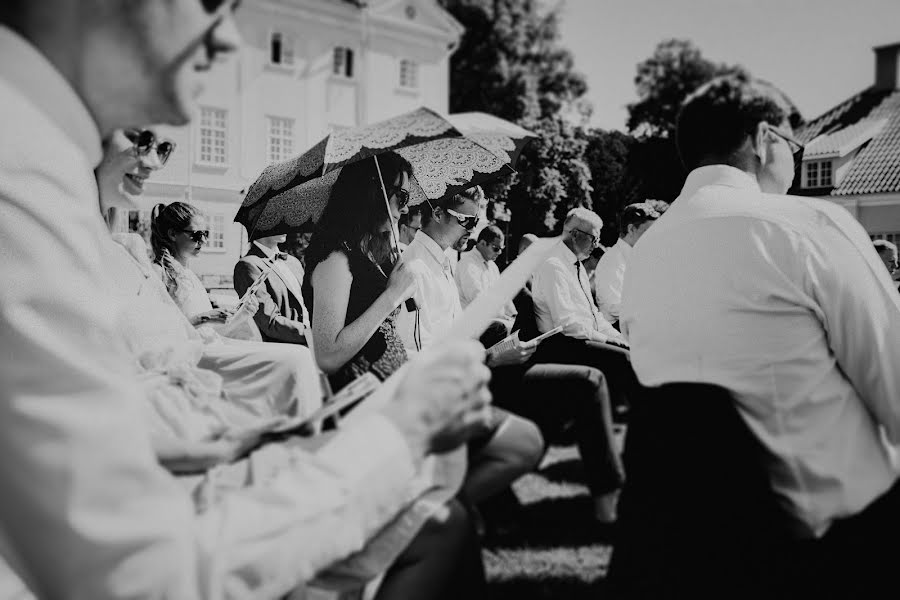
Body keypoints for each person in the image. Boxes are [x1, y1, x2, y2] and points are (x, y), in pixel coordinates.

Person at [0, 3, 494, 597]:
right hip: (154, 544)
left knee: (442, 522)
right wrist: (401, 432)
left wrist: (222, 442)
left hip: (178, 469)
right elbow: (134, 572)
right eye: (212, 3)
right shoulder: (22, 173)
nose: (232, 40)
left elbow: (86, 440)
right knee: (438, 524)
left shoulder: (41, 157)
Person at [619, 72, 900, 596]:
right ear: (764, 138)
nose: (795, 163)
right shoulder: (808, 225)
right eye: (796, 147)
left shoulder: (644, 256)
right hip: (836, 541)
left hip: (688, 539)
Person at [397, 187, 544, 507]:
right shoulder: (415, 266)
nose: (473, 229)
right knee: (525, 441)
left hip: (454, 381)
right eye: (467, 220)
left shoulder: (441, 261)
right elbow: (423, 355)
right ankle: (437, 508)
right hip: (430, 398)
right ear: (436, 214)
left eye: (477, 221)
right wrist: (490, 357)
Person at [303, 152, 417, 392]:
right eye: (402, 196)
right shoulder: (335, 259)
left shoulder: (373, 251)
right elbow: (327, 357)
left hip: (391, 388)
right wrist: (392, 295)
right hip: (360, 399)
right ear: (374, 193)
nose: (405, 209)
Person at [151, 200, 262, 340]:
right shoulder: (157, 273)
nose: (203, 241)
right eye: (197, 235)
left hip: (211, 348)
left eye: (206, 234)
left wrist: (243, 314)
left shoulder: (189, 275)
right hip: (190, 355)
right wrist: (204, 318)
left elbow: (210, 332)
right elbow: (156, 332)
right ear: (173, 234)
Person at [234, 231, 310, 345]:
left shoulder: (293, 262)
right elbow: (269, 322)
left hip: (315, 343)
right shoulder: (248, 265)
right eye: (278, 220)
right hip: (286, 348)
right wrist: (311, 335)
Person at [592, 202, 660, 326]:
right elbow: (614, 307)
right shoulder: (613, 260)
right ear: (631, 229)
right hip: (619, 329)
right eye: (648, 231)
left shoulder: (639, 258)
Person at [455, 225, 517, 331]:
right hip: (471, 325)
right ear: (483, 243)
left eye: (501, 249)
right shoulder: (467, 264)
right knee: (501, 328)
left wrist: (513, 315)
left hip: (492, 322)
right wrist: (502, 317)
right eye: (496, 248)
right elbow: (478, 300)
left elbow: (503, 295)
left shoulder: (492, 266)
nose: (499, 252)